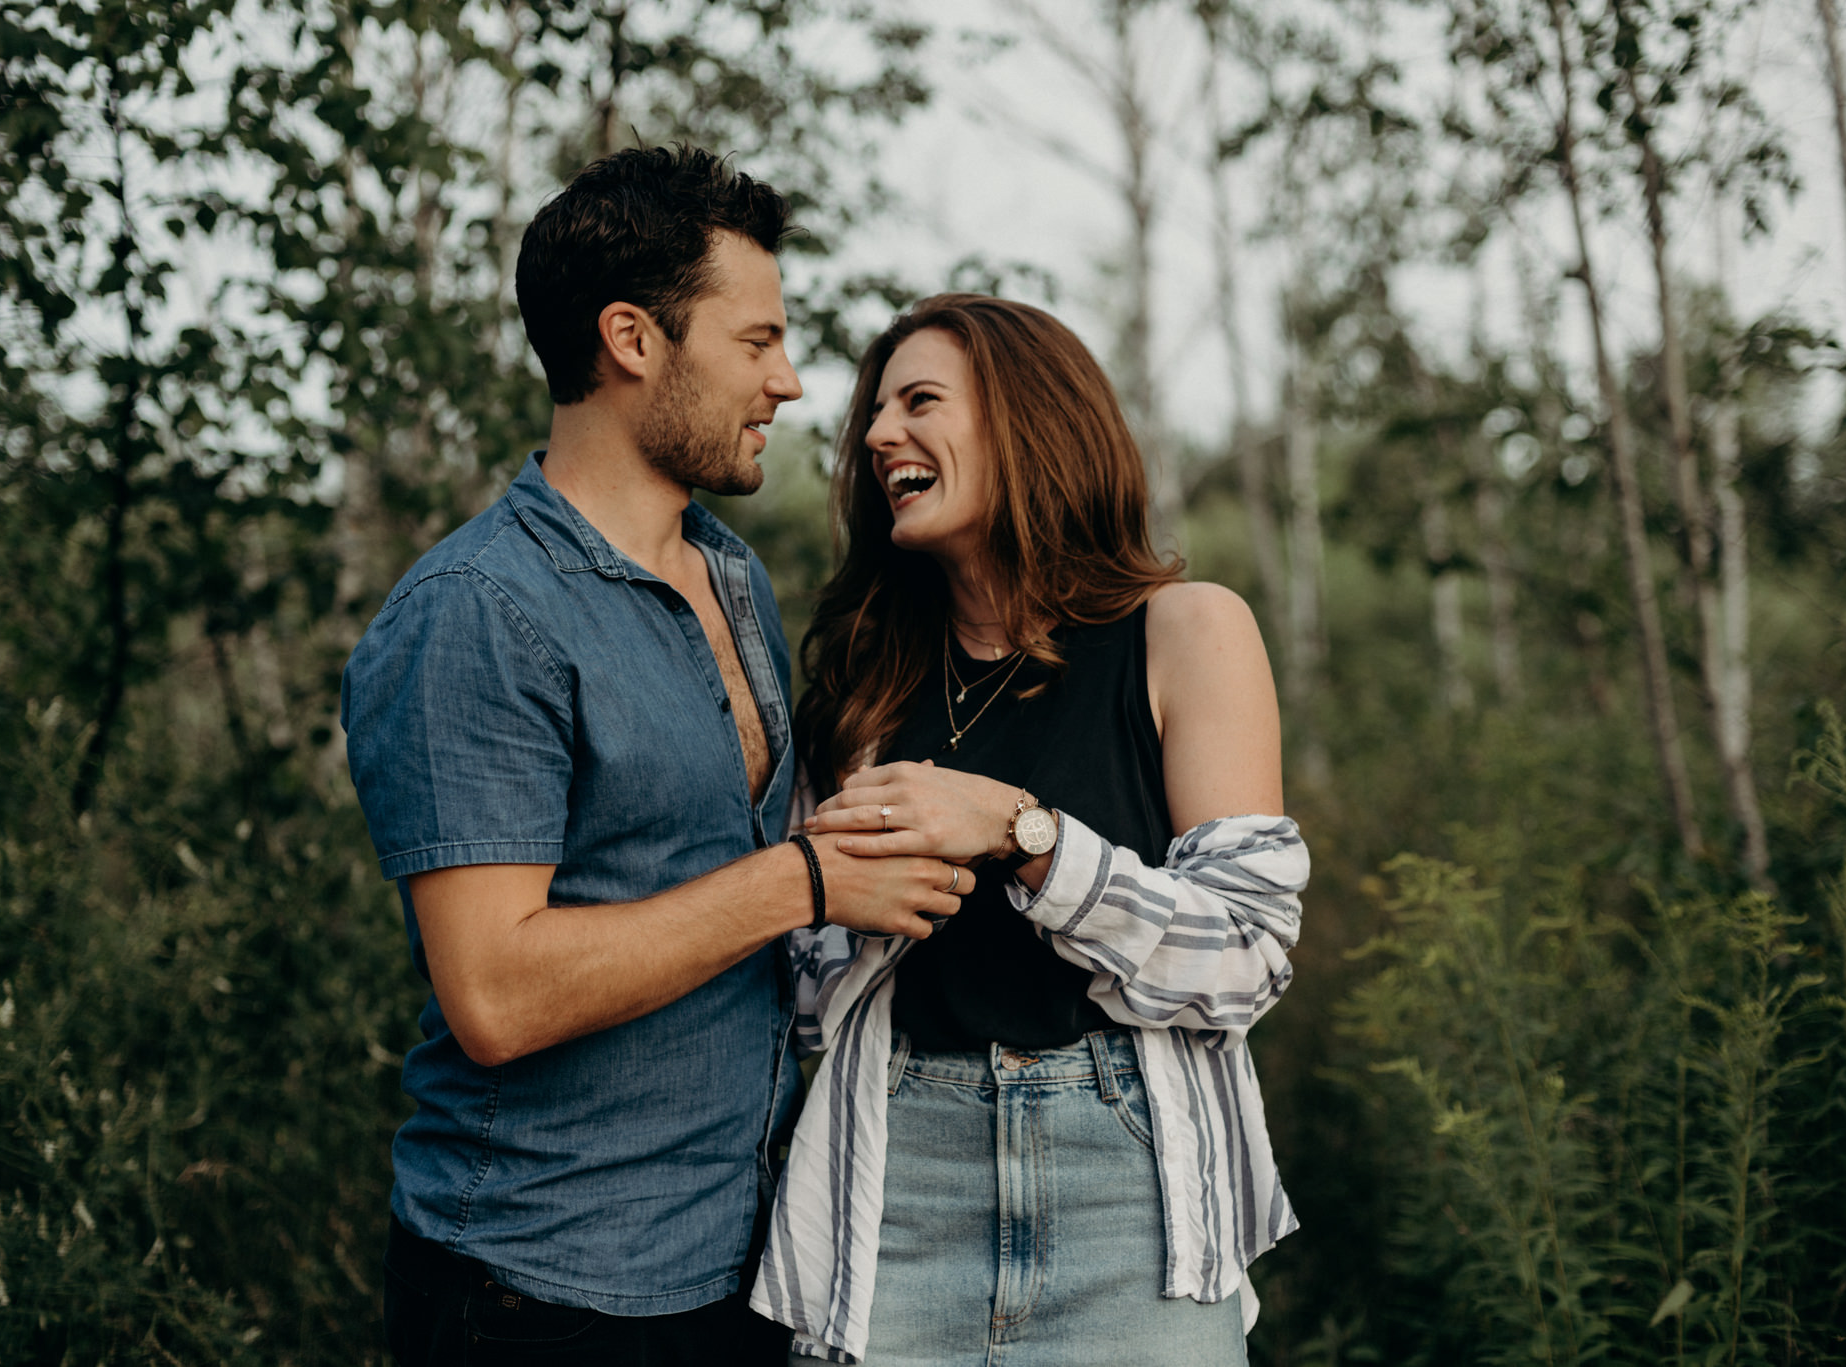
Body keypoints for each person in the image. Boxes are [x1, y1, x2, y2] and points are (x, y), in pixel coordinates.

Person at [340, 146, 970, 1367]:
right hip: (538, 1289)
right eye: (755, 341)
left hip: (729, 1269)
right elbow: (496, 994)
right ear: (632, 338)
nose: (787, 381)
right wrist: (803, 879)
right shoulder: (478, 610)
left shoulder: (731, 574)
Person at [748, 295, 1310, 1365]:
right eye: (874, 412)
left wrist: (1026, 833)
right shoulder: (862, 686)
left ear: (1029, 420)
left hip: (1130, 1188)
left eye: (918, 402)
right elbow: (810, 989)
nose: (874, 435)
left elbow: (1243, 958)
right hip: (894, 1181)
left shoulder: (1185, 632)